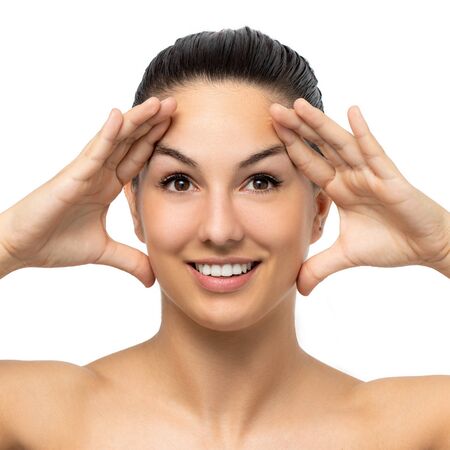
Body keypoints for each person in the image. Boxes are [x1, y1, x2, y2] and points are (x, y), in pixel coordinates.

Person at [0, 26, 449, 449]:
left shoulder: (414, 428)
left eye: (260, 182)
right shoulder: (36, 418)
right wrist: (7, 245)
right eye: (179, 182)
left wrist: (443, 246)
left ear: (318, 210)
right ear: (134, 208)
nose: (220, 230)